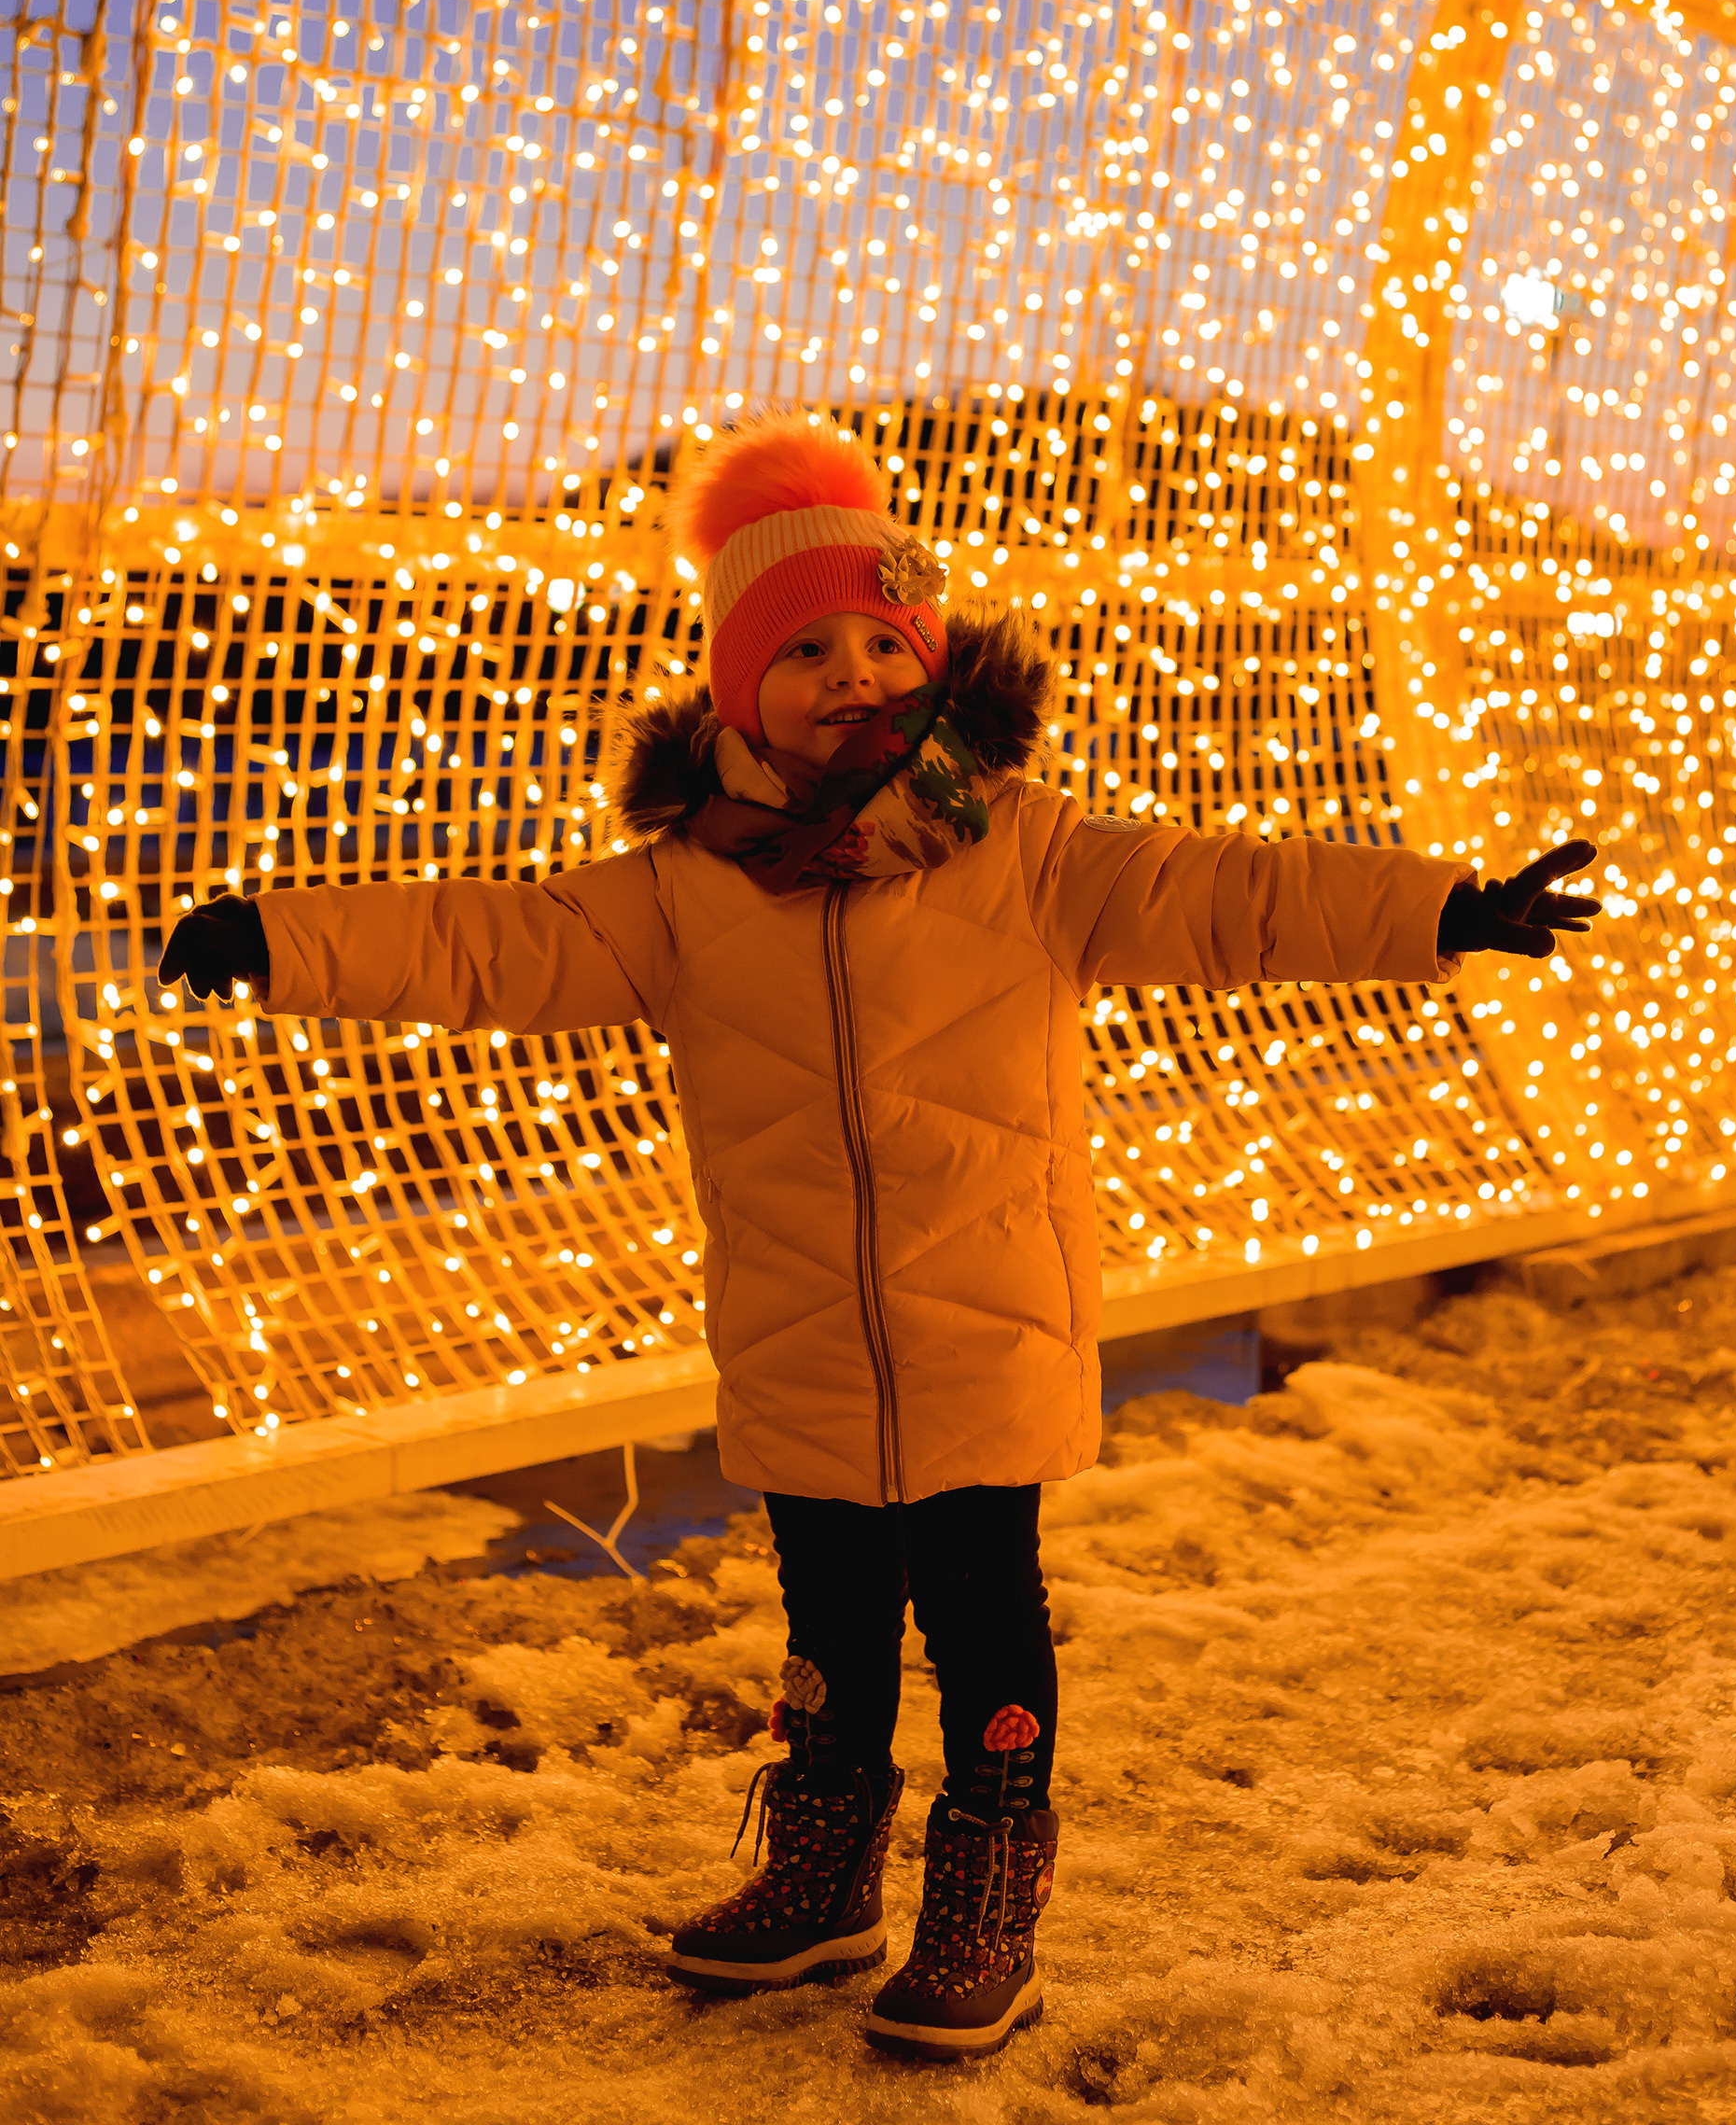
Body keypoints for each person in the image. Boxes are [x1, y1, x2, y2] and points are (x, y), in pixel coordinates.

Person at [160, 413, 1599, 2063]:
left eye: (883, 643)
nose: (850, 674)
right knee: (829, 1627)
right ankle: (826, 1869)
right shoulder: (681, 888)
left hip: (987, 1322)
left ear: (932, 665)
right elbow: (488, 943)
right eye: (806, 652)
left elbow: (1228, 896)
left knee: (984, 1621)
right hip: (800, 1337)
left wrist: (1439, 909)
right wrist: (283, 938)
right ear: (735, 691)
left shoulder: (1028, 848)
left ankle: (986, 1894)